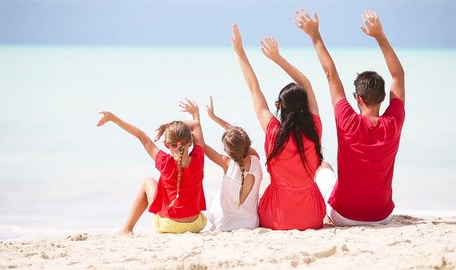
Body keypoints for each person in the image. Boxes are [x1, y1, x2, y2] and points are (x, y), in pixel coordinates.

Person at [294, 9, 405, 226]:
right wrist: (380, 36)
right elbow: (398, 75)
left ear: (358, 98)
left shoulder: (347, 120)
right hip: (382, 216)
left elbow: (330, 74)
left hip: (344, 216)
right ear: (384, 97)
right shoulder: (393, 123)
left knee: (323, 167)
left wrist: (315, 36)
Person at [231, 24, 326, 230]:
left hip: (276, 217)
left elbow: (254, 88)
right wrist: (278, 59)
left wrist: (240, 52)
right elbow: (307, 85)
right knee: (326, 169)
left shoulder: (273, 131)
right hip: (312, 217)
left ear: (279, 107)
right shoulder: (315, 128)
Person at [96, 98, 207, 234]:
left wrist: (113, 118)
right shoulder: (198, 159)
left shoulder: (164, 162)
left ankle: (127, 229)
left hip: (169, 225)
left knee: (147, 182)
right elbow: (196, 125)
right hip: (195, 224)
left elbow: (141, 136)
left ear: (166, 144)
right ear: (190, 142)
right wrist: (169, 125)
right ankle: (127, 229)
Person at [203, 96, 263, 231]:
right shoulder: (256, 158)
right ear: (248, 143)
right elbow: (238, 136)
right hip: (250, 223)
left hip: (223, 223)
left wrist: (196, 120)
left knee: (220, 193)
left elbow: (202, 146)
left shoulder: (226, 162)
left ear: (227, 151)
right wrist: (214, 117)